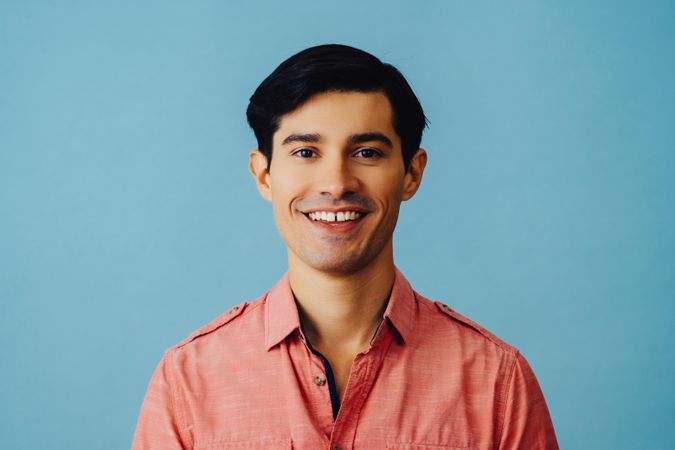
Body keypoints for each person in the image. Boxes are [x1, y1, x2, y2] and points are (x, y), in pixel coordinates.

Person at [131, 44, 559, 450]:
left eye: (367, 152)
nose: (337, 183)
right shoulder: (189, 379)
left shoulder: (497, 381)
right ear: (263, 175)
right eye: (305, 152)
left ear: (411, 173)